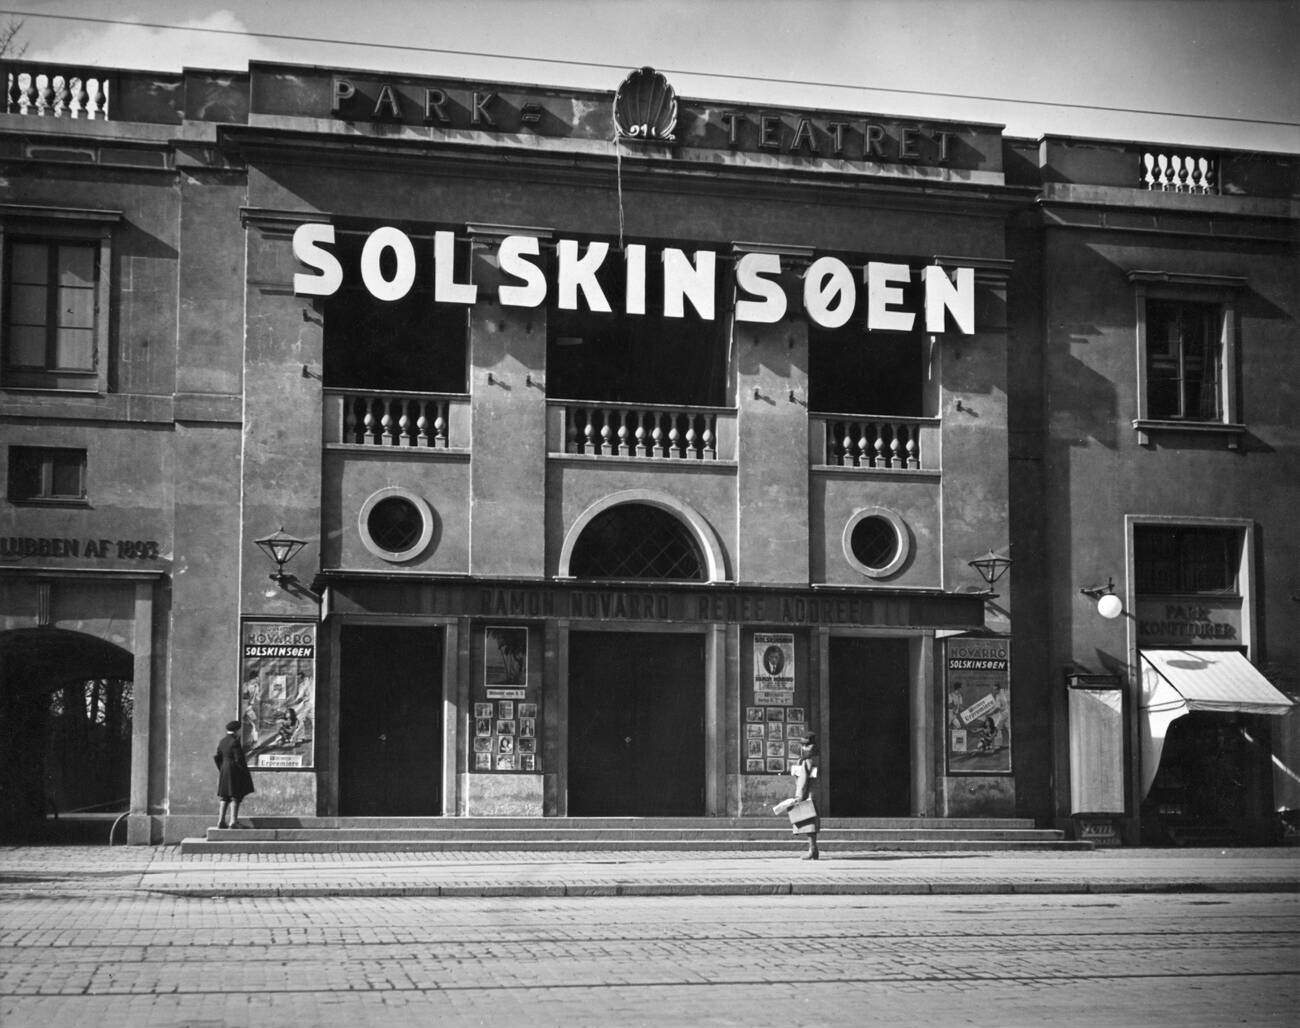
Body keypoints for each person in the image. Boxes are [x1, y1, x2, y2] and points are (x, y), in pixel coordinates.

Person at [213, 720, 254, 829]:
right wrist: (244, 773)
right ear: (237, 730)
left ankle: (220, 821)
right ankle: (233, 822)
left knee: (224, 796)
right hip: (234, 770)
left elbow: (217, 757)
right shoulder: (235, 742)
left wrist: (222, 769)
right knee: (235, 795)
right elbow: (239, 759)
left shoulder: (222, 741)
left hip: (224, 770)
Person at [790, 732, 821, 860]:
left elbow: (803, 781)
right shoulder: (816, 758)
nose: (803, 748)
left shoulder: (806, 761)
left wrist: (798, 797)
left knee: (809, 822)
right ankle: (813, 849)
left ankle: (812, 849)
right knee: (811, 821)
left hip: (807, 794)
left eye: (804, 746)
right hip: (813, 793)